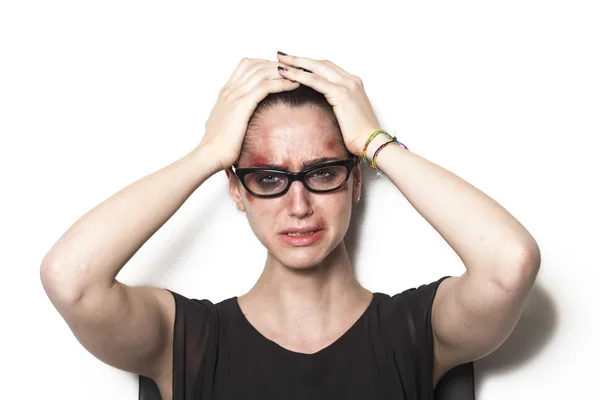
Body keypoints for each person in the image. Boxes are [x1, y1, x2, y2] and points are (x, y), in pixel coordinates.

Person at [40, 51, 541, 400]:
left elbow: (510, 262)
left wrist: (374, 140)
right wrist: (210, 153)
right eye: (268, 177)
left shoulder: (415, 331)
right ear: (237, 190)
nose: (298, 204)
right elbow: (70, 278)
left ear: (356, 182)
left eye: (322, 172)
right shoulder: (187, 339)